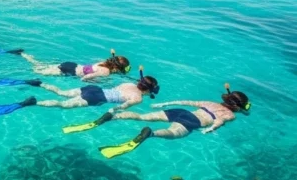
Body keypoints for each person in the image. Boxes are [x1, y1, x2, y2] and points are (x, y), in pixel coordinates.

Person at [99, 84, 251, 158]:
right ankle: (151, 134)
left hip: (180, 112)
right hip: (193, 122)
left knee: (142, 116)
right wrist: (208, 130)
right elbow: (219, 121)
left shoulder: (211, 103)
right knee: (172, 133)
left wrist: (163, 104)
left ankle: (113, 116)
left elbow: (187, 102)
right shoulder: (231, 115)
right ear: (237, 106)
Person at [25, 69, 159, 110]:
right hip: (97, 98)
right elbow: (122, 106)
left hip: (94, 89)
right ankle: (34, 103)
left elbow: (115, 90)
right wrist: (113, 112)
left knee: (62, 93)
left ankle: (41, 84)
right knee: (63, 105)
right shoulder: (138, 98)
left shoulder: (127, 84)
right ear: (148, 90)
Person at [19, 49, 130, 79]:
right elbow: (85, 78)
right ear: (116, 67)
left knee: (40, 65)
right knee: (36, 71)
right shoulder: (105, 72)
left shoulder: (103, 63)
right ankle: (21, 70)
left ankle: (25, 56)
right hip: (70, 71)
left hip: (73, 65)